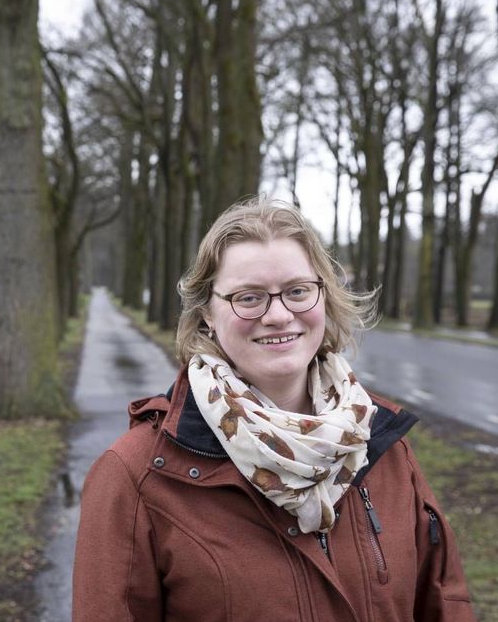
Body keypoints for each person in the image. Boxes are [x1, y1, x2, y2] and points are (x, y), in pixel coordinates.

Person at [72, 199, 475, 622]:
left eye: (298, 291)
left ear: (325, 296)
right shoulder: (136, 475)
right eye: (249, 297)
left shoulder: (382, 445)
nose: (280, 315)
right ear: (207, 312)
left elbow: (445, 603)